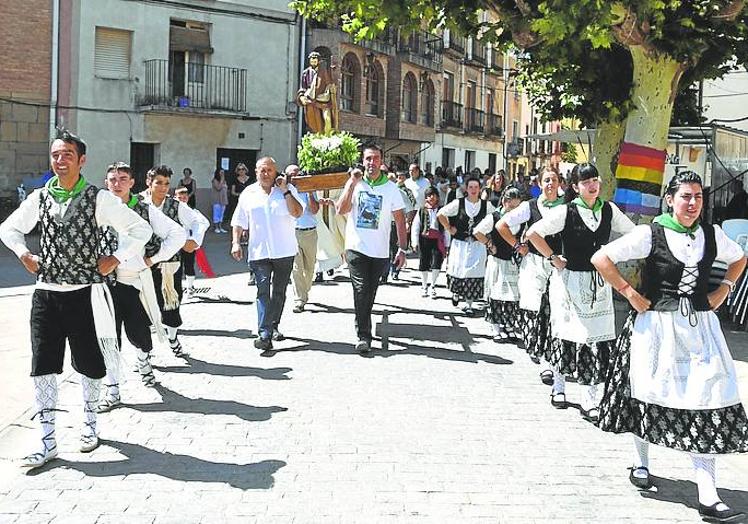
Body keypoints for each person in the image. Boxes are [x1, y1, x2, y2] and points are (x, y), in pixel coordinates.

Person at [592, 171, 748, 524]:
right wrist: (630, 293)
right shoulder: (651, 232)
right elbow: (601, 258)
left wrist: (724, 288)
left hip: (700, 325)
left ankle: (708, 494)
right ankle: (642, 462)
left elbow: (740, 258)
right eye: (685, 197)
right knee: (647, 392)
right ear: (670, 199)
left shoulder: (712, 234)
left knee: (710, 395)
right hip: (657, 325)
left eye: (697, 197)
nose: (692, 204)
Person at [0, 130, 152, 467]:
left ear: (81, 160)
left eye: (68, 154)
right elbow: (8, 229)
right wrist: (24, 253)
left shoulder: (99, 198)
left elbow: (141, 230)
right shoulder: (40, 198)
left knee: (89, 364)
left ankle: (89, 424)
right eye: (56, 154)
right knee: (43, 366)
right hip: (47, 294)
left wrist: (116, 258)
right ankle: (47, 439)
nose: (60, 160)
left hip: (86, 293)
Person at [526, 163, 635, 421]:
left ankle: (590, 397)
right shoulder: (567, 211)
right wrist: (553, 257)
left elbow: (635, 233)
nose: (593, 185)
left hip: (599, 283)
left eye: (595, 180)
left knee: (595, 341)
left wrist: (613, 254)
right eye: (586, 182)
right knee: (566, 335)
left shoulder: (609, 210)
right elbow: (533, 233)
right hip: (570, 284)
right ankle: (559, 386)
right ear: (575, 187)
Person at [98, 162, 186, 412]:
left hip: (133, 282)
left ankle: (143, 360)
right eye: (112, 179)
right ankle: (112, 389)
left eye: (122, 179)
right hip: (103, 283)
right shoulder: (98, 209)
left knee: (140, 334)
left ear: (132, 182)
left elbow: (177, 234)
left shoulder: (144, 210)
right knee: (107, 337)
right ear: (106, 183)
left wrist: (153, 259)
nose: (117, 184)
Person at [336, 143, 407, 353]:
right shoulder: (355, 184)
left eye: (375, 158)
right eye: (368, 158)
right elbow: (341, 209)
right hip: (355, 247)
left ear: (381, 161)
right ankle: (363, 336)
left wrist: (402, 249)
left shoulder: (391, 189)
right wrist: (351, 182)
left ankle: (364, 327)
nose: (371, 163)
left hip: (379, 251)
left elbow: (400, 221)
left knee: (370, 291)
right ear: (362, 160)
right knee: (360, 289)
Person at [496, 167, 564, 385]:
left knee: (555, 311)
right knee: (536, 308)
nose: (550, 184)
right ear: (539, 183)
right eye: (546, 180)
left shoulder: (567, 207)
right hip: (535, 263)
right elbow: (501, 224)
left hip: (558, 264)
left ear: (559, 182)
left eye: (553, 179)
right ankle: (541, 351)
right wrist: (517, 245)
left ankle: (550, 360)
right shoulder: (530, 206)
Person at [231, 157, 304, 351]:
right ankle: (264, 334)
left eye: (270, 170)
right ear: (256, 172)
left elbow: (297, 213)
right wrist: (236, 243)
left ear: (275, 172)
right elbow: (239, 220)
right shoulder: (248, 193)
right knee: (262, 291)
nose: (266, 174)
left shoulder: (287, 190)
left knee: (278, 292)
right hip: (259, 251)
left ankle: (273, 326)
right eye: (262, 170)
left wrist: (286, 190)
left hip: (284, 251)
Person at [143, 165, 209, 357]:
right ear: (149, 182)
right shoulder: (138, 202)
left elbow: (200, 221)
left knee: (171, 303)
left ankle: (172, 338)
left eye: (166, 184)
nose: (163, 188)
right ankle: (144, 351)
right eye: (159, 183)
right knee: (143, 306)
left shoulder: (176, 205)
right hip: (143, 264)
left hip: (169, 266)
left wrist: (194, 241)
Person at [437, 176, 494, 315]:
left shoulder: (486, 206)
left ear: (480, 189)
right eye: (471, 187)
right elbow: (441, 214)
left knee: (473, 273)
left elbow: (496, 218)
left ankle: (469, 304)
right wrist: (449, 228)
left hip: (477, 245)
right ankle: (456, 293)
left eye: (476, 187)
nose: (473, 190)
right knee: (458, 270)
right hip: (460, 245)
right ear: (466, 189)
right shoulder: (459, 203)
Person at [474, 187, 523, 342]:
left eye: (517, 206)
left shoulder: (520, 219)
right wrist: (489, 244)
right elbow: (477, 231)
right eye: (512, 206)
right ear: (504, 202)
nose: (514, 210)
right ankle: (496, 327)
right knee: (496, 294)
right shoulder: (494, 217)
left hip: (513, 262)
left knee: (512, 296)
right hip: (497, 261)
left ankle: (509, 326)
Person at [287, 164, 320, 313]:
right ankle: (299, 299)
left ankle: (304, 291)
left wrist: (311, 192)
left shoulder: (307, 189)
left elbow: (314, 210)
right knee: (296, 268)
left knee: (310, 267)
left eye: (296, 174)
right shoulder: (285, 191)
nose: (294, 177)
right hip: (292, 233)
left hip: (310, 232)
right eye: (291, 175)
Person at [411, 187, 445, 298]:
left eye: (434, 195)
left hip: (437, 240)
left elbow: (446, 227)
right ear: (426, 198)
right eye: (429, 195)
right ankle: (424, 285)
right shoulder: (422, 210)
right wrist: (414, 241)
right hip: (424, 239)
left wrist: (447, 243)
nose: (432, 198)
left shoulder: (442, 210)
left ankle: (433, 285)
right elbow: (415, 226)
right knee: (424, 262)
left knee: (437, 262)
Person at [295, 51, 339, 133]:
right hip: (311, 101)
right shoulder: (306, 73)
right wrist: (301, 97)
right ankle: (319, 138)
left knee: (327, 120)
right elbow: (303, 88)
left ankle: (328, 138)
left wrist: (332, 89)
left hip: (323, 101)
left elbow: (330, 83)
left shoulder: (324, 72)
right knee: (315, 124)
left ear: (318, 61)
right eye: (312, 60)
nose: (313, 62)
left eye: (315, 60)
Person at [386, 171, 417, 282]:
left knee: (395, 250)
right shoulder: (381, 192)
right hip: (384, 225)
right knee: (385, 250)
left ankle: (395, 271)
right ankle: (384, 274)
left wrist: (408, 222)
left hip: (396, 224)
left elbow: (409, 208)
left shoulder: (400, 193)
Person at [211, 168, 229, 233]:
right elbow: (218, 188)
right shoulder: (215, 180)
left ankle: (220, 227)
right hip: (217, 199)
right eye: (221, 172)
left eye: (223, 173)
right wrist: (221, 179)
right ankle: (216, 227)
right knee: (216, 214)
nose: (222, 174)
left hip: (223, 199)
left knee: (221, 214)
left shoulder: (224, 181)